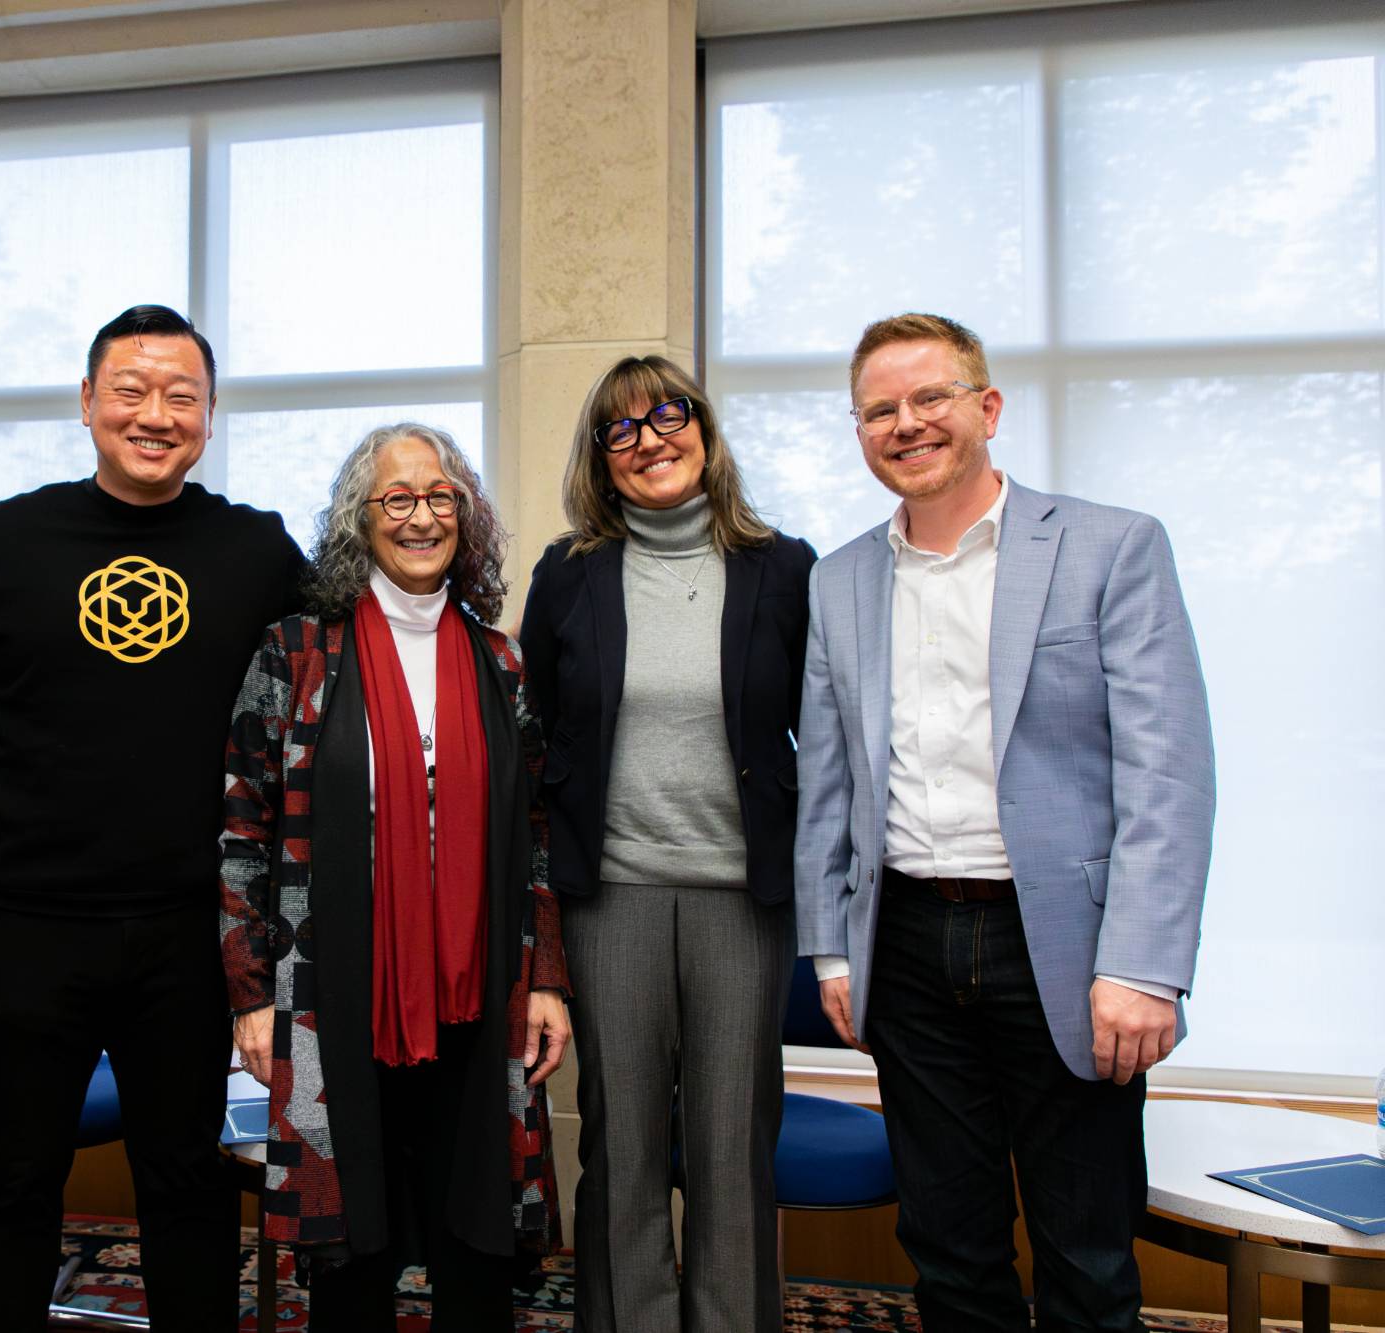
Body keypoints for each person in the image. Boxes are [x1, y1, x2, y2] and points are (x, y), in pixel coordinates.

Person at [795, 312, 1216, 1332]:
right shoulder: (838, 577)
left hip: (1064, 951)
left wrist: (1143, 964)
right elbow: (829, 787)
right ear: (859, 432)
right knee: (947, 1244)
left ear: (984, 407)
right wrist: (828, 953)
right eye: (879, 409)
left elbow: (1165, 770)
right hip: (901, 943)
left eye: (928, 397)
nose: (906, 424)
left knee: (1083, 1247)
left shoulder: (1109, 546)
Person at [0, 304, 306, 1330]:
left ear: (207, 415)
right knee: (15, 1177)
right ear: (86, 402)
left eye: (180, 395)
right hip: (30, 923)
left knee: (185, 1178)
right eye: (130, 390)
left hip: (189, 930)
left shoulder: (255, 551)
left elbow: (309, 714)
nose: (154, 414)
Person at [220, 423, 571, 1332]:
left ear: (467, 515)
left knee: (477, 1227)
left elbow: (537, 831)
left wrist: (546, 982)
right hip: (332, 989)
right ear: (359, 520)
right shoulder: (296, 652)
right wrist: (250, 993)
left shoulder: (501, 661)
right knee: (352, 1234)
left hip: (479, 989)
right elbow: (242, 826)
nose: (422, 517)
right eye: (398, 498)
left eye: (441, 496)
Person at [518, 356, 814, 1332]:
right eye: (621, 430)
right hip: (612, 899)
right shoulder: (567, 575)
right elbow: (542, 737)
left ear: (704, 428)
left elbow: (825, 734)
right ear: (601, 461)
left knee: (731, 1144)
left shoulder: (783, 567)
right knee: (622, 1141)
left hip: (741, 900)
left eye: (667, 415)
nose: (650, 441)